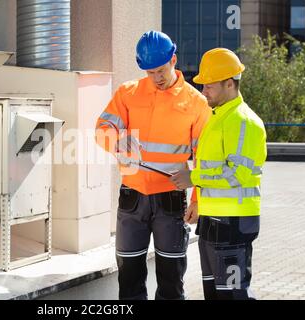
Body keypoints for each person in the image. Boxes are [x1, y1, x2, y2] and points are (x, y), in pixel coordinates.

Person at [95, 30, 211, 300]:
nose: (157, 78)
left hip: (170, 201)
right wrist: (116, 140)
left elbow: (204, 158)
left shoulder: (196, 103)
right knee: (129, 277)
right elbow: (102, 128)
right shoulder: (128, 93)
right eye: (150, 72)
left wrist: (198, 200)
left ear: (174, 60)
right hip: (132, 198)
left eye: (161, 70)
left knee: (171, 280)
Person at [170, 48, 267, 300]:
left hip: (233, 225)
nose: (204, 92)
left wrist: (193, 178)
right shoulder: (217, 118)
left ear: (229, 83)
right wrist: (199, 203)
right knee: (215, 295)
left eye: (209, 86)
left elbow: (237, 175)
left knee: (235, 295)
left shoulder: (244, 121)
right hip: (213, 223)